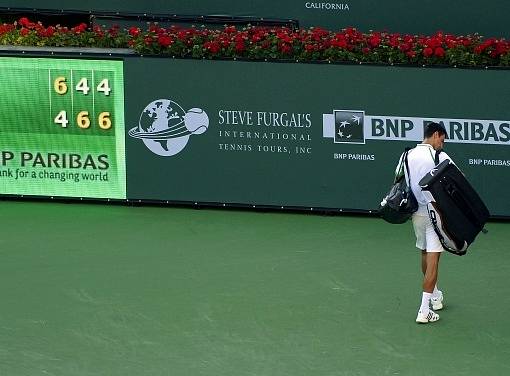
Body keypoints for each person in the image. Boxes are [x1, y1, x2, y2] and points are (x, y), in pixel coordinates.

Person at [404, 122, 452, 324]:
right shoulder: (438, 156)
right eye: (442, 139)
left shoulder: (407, 155)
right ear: (435, 135)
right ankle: (424, 310)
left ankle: (435, 295)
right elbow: (458, 178)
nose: (442, 144)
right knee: (434, 258)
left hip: (416, 214)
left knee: (424, 252)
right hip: (434, 213)